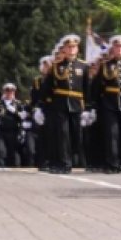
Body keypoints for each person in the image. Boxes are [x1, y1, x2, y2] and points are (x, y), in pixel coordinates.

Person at [42, 34, 92, 173]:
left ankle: (72, 157)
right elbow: (47, 88)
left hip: (76, 104)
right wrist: (44, 105)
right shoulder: (56, 66)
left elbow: (87, 88)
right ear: (64, 49)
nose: (71, 50)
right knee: (63, 134)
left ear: (77, 49)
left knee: (76, 135)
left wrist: (88, 108)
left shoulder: (83, 66)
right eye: (68, 47)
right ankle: (65, 163)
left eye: (74, 47)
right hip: (60, 105)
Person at [91, 34, 121, 173]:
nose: (119, 49)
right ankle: (112, 163)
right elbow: (97, 87)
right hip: (109, 103)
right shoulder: (105, 66)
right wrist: (92, 106)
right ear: (112, 49)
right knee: (111, 134)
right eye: (116, 46)